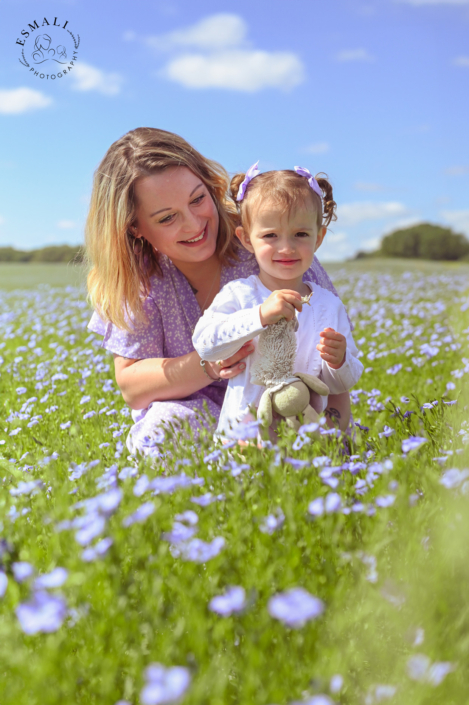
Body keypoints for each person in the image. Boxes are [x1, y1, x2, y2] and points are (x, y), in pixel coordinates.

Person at [85, 128, 352, 455]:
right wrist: (209, 365)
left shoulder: (270, 245)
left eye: (197, 199)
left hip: (284, 411)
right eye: (167, 218)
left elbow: (327, 351)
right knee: (160, 434)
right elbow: (132, 387)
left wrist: (337, 442)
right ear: (135, 227)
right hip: (196, 412)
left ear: (211, 187)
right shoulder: (139, 278)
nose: (194, 224)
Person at [192, 162, 363, 441]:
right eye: (270, 235)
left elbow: (341, 383)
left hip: (308, 439)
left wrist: (340, 361)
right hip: (245, 441)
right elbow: (205, 344)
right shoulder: (239, 295)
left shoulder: (328, 305)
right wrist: (258, 316)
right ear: (247, 239)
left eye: (301, 234)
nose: (286, 247)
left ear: (318, 238)